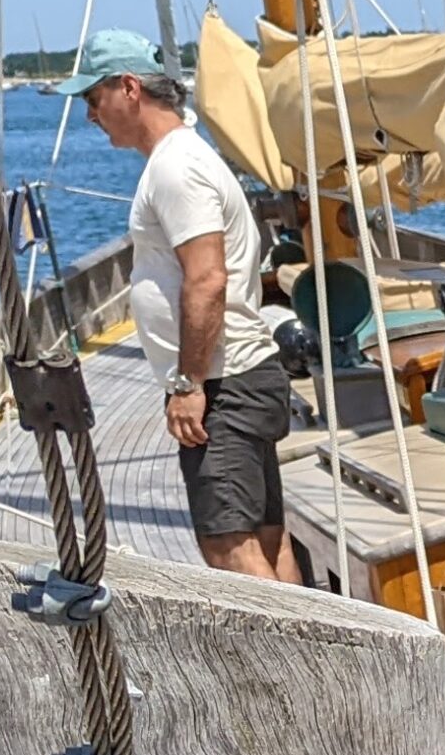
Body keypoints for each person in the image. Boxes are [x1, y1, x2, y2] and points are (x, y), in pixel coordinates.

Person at [65, 30, 299, 582]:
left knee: (228, 550)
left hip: (224, 386)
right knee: (267, 538)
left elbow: (207, 280)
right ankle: (326, 662)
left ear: (128, 89)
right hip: (243, 377)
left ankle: (288, 668)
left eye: (92, 101)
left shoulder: (176, 168)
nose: (90, 117)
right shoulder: (188, 159)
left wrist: (187, 384)